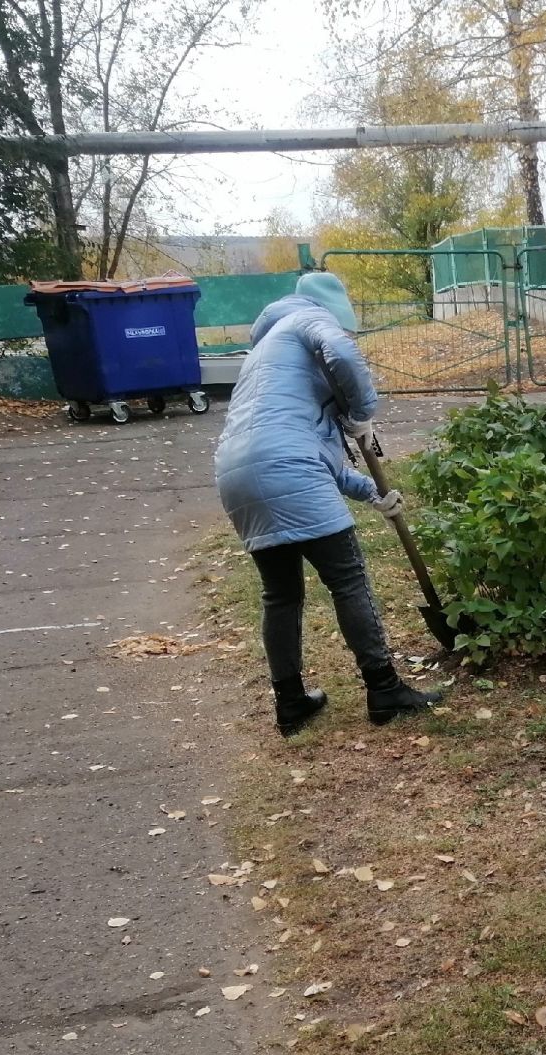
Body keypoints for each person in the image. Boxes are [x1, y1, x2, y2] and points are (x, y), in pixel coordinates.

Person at [214, 271, 441, 738]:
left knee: (281, 595)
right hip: (286, 466)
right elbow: (342, 354)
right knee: (348, 580)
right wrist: (362, 412)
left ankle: (291, 703)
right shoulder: (309, 322)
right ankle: (385, 690)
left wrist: (375, 494)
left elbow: (321, 460)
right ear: (334, 311)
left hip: (236, 474)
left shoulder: (267, 356)